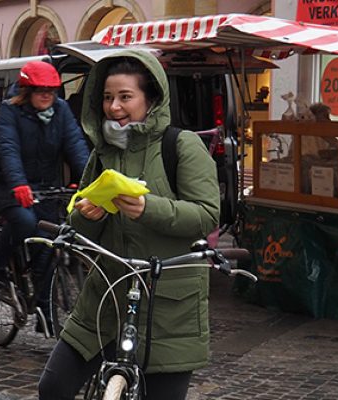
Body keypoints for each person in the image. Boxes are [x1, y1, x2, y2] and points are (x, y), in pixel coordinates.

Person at [37, 50, 220, 400]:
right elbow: (80, 221)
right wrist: (86, 217)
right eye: (107, 97)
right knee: (54, 387)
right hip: (105, 296)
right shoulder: (102, 153)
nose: (114, 107)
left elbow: (206, 215)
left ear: (150, 99)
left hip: (167, 305)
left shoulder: (181, 146)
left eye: (125, 97)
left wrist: (146, 208)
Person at [0, 60, 89, 332]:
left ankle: (43, 307)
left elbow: (76, 145)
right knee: (24, 222)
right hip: (5, 183)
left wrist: (92, 183)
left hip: (45, 186)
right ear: (27, 91)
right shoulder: (10, 111)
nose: (46, 96)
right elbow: (8, 149)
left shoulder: (61, 111)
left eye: (51, 91)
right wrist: (17, 183)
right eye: (40, 90)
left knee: (50, 244)